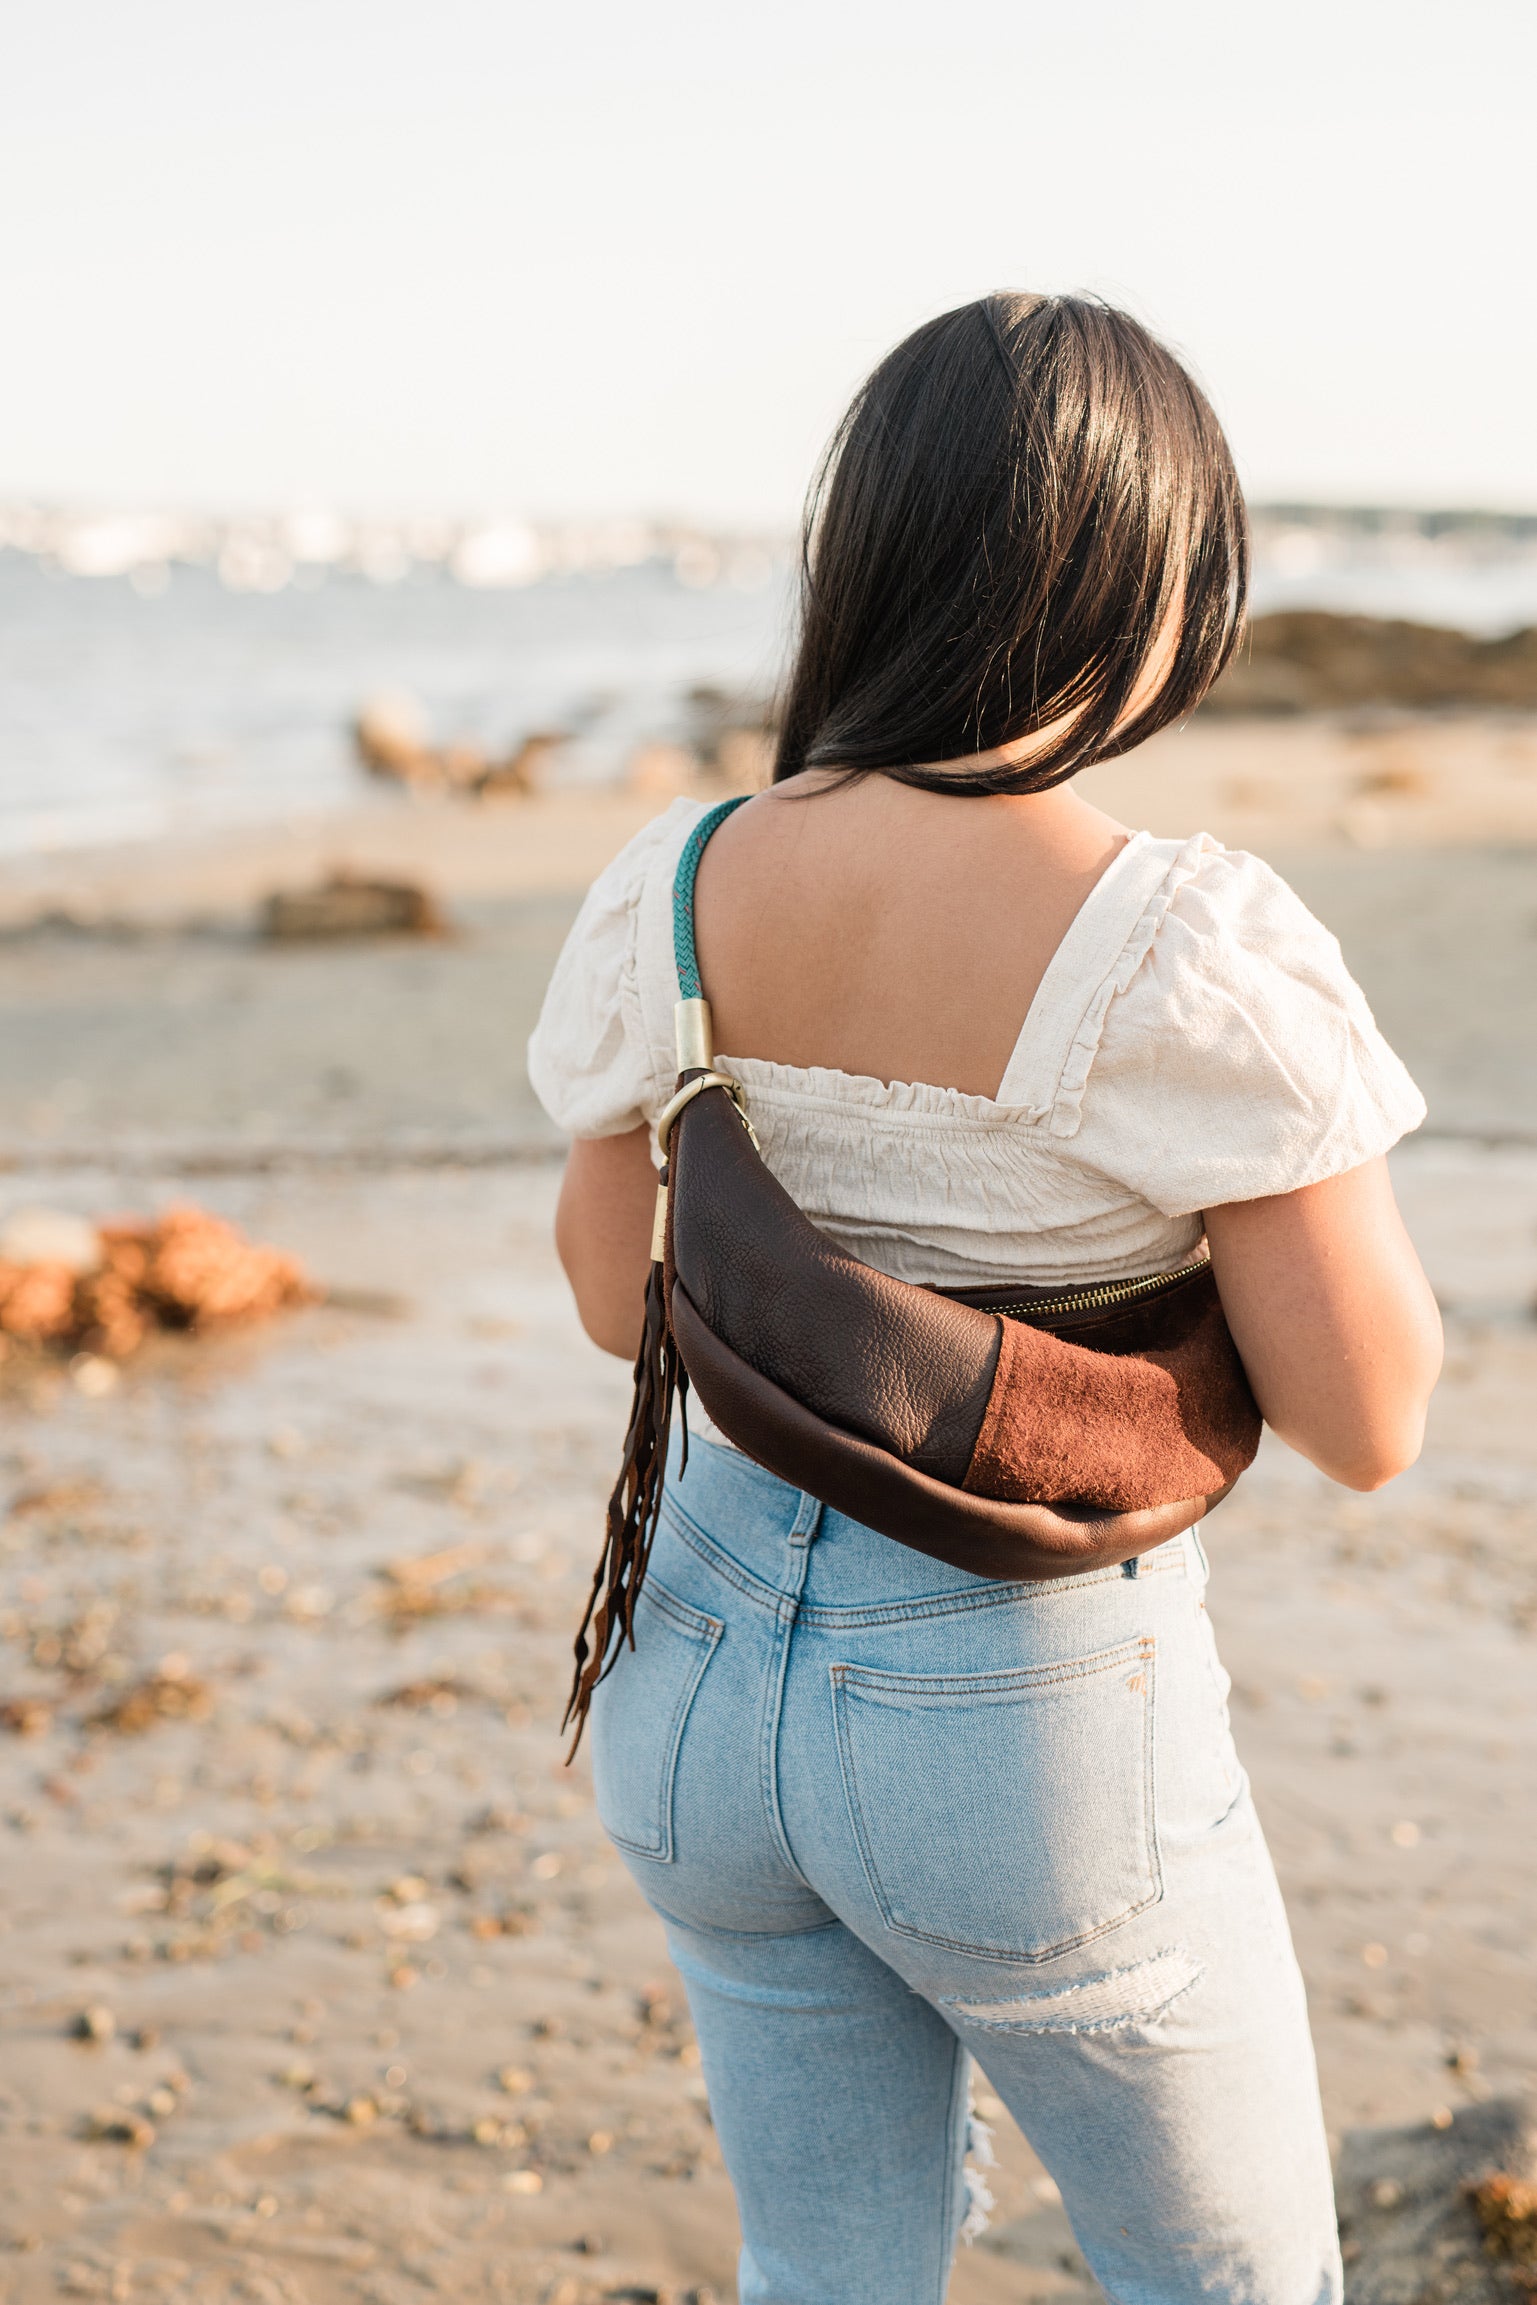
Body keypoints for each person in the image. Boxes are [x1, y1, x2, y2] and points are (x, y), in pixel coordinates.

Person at [527, 292, 1442, 2305]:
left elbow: (613, 1299)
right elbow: (1369, 1420)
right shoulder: (1185, 938)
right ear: (1147, 576)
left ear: (865, 554)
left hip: (691, 1667)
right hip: (1013, 1714)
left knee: (824, 2272)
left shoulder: (668, 882)